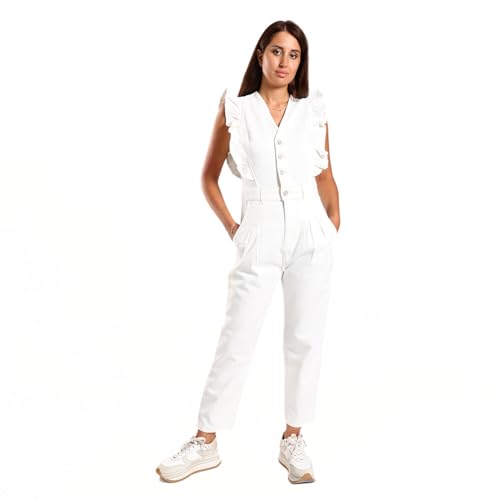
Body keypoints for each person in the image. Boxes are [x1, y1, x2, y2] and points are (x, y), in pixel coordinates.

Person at [156, 19, 340, 485]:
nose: (284, 62)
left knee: (304, 338)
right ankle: (206, 441)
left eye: (294, 54)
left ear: (301, 62)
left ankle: (293, 437)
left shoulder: (313, 110)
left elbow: (325, 176)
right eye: (277, 51)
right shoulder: (236, 110)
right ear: (261, 54)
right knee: (236, 338)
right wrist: (234, 228)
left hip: (311, 235)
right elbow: (208, 177)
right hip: (258, 230)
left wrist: (331, 226)